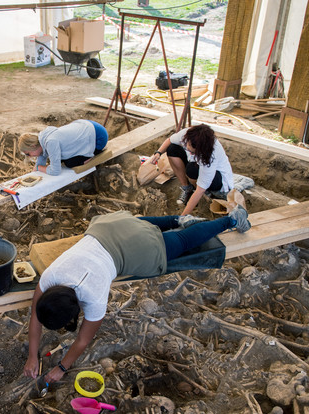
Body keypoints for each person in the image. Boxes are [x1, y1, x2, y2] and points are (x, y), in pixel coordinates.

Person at [23, 207, 250, 383]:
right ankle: (176, 220)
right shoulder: (51, 276)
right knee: (130, 225)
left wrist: (61, 368)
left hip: (134, 245)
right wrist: (32, 356)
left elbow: (83, 340)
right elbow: (36, 314)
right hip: (108, 226)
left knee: (181, 242)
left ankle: (231, 219)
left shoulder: (94, 296)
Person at [149, 124, 235, 215]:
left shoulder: (210, 158)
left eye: (192, 151)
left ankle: (205, 195)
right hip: (195, 162)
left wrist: (182, 217)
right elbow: (170, 140)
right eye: (187, 146)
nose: (188, 150)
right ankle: (187, 188)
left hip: (218, 179)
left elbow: (200, 190)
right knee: (172, 149)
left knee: (191, 170)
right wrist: (158, 153)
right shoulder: (189, 135)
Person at [19, 119, 109, 176]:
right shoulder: (42, 138)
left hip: (98, 137)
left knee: (69, 163)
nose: (30, 156)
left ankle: (92, 155)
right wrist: (35, 170)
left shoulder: (50, 142)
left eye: (28, 154)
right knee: (59, 159)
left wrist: (39, 168)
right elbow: (40, 161)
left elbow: (55, 171)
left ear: (33, 146)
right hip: (87, 124)